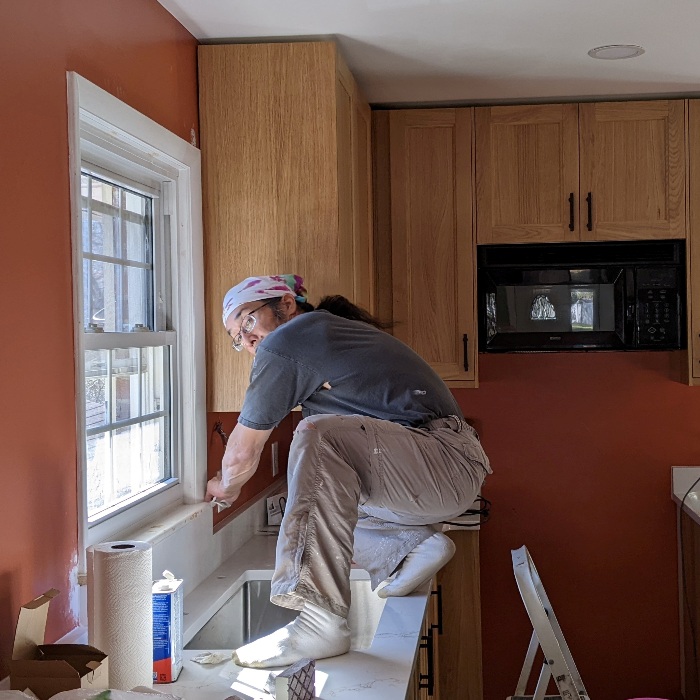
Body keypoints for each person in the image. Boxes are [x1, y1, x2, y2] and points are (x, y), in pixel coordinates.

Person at [205, 274, 491, 669]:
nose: (248, 340)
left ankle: (320, 620)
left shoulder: (291, 339)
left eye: (248, 321)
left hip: (443, 460)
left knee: (317, 438)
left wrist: (224, 488)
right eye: (237, 337)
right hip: (437, 474)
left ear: (286, 305)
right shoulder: (320, 345)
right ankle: (410, 546)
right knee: (320, 495)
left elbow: (241, 453)